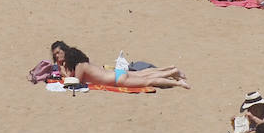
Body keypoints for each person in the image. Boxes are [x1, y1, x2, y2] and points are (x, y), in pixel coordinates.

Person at [50, 41, 190, 89]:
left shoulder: (80, 66)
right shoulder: (83, 62)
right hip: (118, 73)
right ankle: (172, 70)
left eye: (58, 53)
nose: (57, 56)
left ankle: (179, 83)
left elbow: (74, 81)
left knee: (148, 80)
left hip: (118, 80)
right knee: (145, 73)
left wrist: (62, 69)